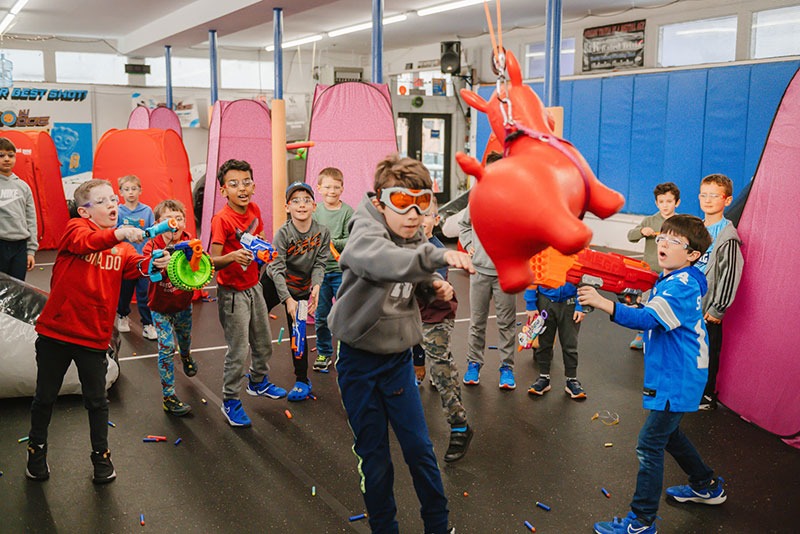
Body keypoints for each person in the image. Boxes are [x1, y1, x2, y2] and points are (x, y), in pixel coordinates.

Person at [329, 154, 473, 534]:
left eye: (421, 202)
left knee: (420, 451)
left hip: (396, 360)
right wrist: (437, 256)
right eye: (400, 201)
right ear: (380, 201)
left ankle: (438, 526)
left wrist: (432, 289)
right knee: (375, 459)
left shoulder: (416, 237)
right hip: (358, 361)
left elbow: (405, 284)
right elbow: (379, 261)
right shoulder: (365, 231)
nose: (412, 213)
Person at [578, 214, 726, 534]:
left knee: (649, 443)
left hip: (678, 377)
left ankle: (641, 521)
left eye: (674, 241)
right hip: (675, 373)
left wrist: (604, 304)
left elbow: (647, 320)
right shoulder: (672, 277)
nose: (663, 244)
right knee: (668, 434)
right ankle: (706, 484)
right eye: (662, 237)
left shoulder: (682, 286)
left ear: (692, 255)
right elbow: (651, 310)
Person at [26, 179, 171, 484]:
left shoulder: (120, 248)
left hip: (93, 338)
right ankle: (36, 450)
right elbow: (86, 243)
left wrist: (157, 262)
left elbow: (139, 266)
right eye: (103, 201)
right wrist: (119, 233)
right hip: (56, 333)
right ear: (84, 211)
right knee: (44, 397)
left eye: (114, 200)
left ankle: (101, 458)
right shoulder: (75, 229)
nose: (112, 205)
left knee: (97, 401)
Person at [209, 159, 286, 428]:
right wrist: (232, 257)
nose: (241, 188)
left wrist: (264, 250)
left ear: (253, 186)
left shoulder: (254, 209)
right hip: (232, 294)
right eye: (234, 184)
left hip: (255, 287)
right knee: (238, 349)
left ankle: (257, 381)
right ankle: (230, 400)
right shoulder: (221, 219)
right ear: (223, 190)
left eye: (246, 182)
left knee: (264, 342)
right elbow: (211, 260)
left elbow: (261, 236)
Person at [412, 196, 473, 462]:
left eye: (427, 215)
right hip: (408, 314)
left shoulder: (436, 251)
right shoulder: (399, 245)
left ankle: (460, 426)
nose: (420, 220)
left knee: (439, 369)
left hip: (435, 316)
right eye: (416, 214)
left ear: (435, 220)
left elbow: (425, 280)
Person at [266, 181, 330, 401]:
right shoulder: (283, 234)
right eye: (295, 201)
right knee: (254, 321)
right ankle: (258, 378)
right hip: (274, 282)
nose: (301, 205)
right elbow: (276, 268)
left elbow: (320, 264)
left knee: (298, 333)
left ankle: (302, 380)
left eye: (306, 200)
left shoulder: (322, 232)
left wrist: (317, 287)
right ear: (287, 207)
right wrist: (287, 299)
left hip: (301, 286)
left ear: (314, 206)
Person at [459, 151, 518, 389]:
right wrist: (470, 245)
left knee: (506, 323)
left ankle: (507, 368)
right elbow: (464, 225)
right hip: (480, 273)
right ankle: (474, 364)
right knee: (477, 322)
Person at [143, 200, 198, 417]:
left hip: (183, 305)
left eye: (179, 218)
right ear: (158, 223)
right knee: (166, 347)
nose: (175, 223)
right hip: (160, 307)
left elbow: (199, 267)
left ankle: (185, 356)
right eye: (168, 219)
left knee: (184, 340)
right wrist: (157, 262)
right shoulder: (152, 245)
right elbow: (146, 265)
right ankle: (169, 397)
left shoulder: (190, 242)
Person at [695, 173, 743, 410]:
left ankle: (706, 395)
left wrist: (718, 308)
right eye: (704, 194)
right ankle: (688, 389)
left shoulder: (727, 236)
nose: (708, 199)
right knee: (687, 348)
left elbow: (730, 273)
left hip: (708, 308)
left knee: (708, 351)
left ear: (727, 200)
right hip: (688, 303)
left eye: (714, 195)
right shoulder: (695, 228)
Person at [627, 182, 681, 350]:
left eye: (669, 201)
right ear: (657, 203)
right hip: (650, 271)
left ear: (677, 203)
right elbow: (631, 236)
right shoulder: (650, 220)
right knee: (645, 302)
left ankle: (665, 334)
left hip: (672, 272)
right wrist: (642, 232)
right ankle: (641, 334)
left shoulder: (680, 222)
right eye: (662, 201)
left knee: (667, 302)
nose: (665, 205)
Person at [311, 167, 354, 372]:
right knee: (321, 316)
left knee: (345, 314)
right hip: (319, 273)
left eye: (336, 187)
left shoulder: (347, 212)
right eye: (327, 187)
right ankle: (324, 352)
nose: (332, 191)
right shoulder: (314, 211)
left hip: (341, 271)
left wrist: (331, 241)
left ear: (342, 188)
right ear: (319, 188)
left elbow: (351, 239)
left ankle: (347, 353)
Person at [524, 281, 587, 399]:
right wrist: (530, 304)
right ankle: (543, 377)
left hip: (570, 303)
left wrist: (581, 305)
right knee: (544, 343)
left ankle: (572, 380)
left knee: (570, 344)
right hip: (545, 301)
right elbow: (533, 274)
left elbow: (585, 278)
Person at [115, 175, 157, 340]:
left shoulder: (147, 211)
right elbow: (113, 233)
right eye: (126, 189)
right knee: (124, 293)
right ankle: (122, 315)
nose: (130, 192)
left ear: (140, 190)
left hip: (143, 260)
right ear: (120, 192)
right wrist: (121, 229)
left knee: (144, 293)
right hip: (125, 260)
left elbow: (152, 233)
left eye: (134, 189)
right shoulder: (118, 211)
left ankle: (148, 324)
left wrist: (145, 236)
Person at [0, 137, 37, 280]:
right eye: (1, 155)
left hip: (20, 246)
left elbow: (31, 219)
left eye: (11, 155)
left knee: (18, 288)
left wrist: (31, 251)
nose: (7, 159)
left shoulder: (23, 186)